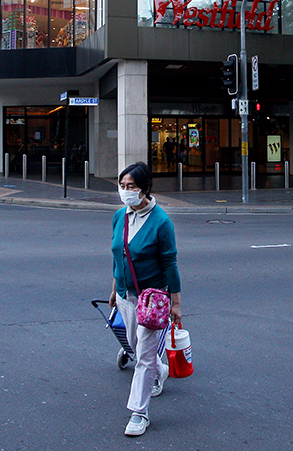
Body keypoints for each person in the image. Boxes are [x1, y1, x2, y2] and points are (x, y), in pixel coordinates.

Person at [109, 162, 182, 438]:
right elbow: (118, 255)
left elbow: (170, 263)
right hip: (127, 296)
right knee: (137, 348)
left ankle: (139, 412)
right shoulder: (119, 216)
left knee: (143, 357)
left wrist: (176, 303)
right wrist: (114, 288)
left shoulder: (162, 222)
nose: (126, 192)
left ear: (145, 189)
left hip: (152, 298)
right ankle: (160, 370)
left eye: (132, 187)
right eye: (123, 186)